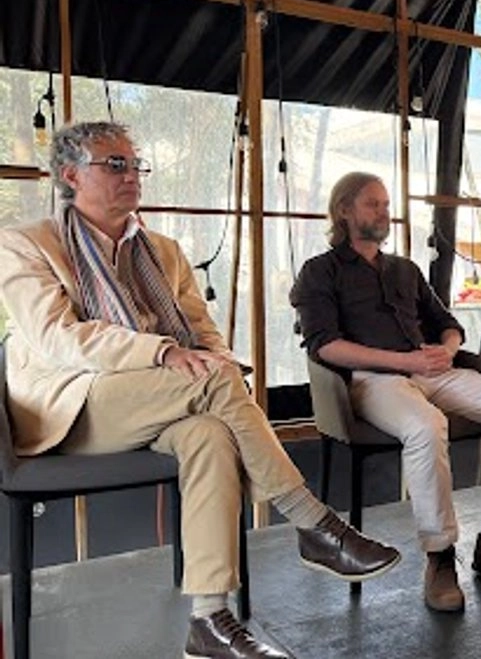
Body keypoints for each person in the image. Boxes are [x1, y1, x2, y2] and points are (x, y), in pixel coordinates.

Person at [0, 122, 400, 659]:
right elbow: (58, 339)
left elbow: (201, 330)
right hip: (73, 407)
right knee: (212, 378)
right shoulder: (25, 244)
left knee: (210, 432)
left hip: (163, 399)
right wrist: (166, 354)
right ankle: (312, 522)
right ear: (70, 175)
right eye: (113, 164)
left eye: (134, 165)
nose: (130, 176)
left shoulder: (161, 250)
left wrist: (215, 358)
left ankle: (208, 620)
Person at [290, 172, 481, 615]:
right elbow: (324, 345)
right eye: (372, 204)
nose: (383, 211)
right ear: (344, 211)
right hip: (370, 380)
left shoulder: (404, 270)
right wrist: (405, 362)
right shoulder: (321, 270)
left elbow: (449, 324)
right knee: (427, 425)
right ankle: (440, 556)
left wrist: (444, 350)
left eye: (386, 203)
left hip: (430, 371)